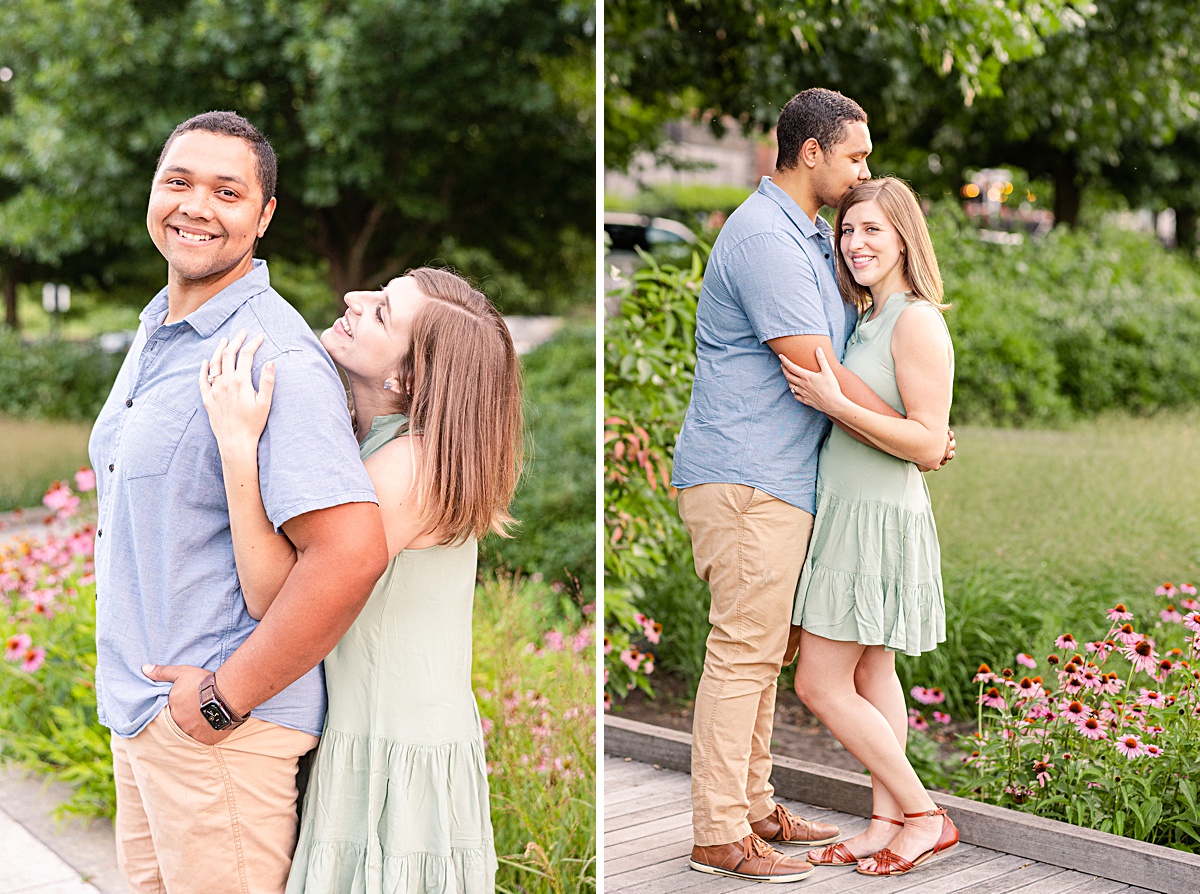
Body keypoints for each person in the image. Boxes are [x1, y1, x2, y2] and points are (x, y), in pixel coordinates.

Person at [89, 110, 389, 894]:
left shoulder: (272, 354)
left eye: (228, 191)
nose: (196, 206)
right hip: (147, 717)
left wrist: (222, 703)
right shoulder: (163, 326)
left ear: (263, 218)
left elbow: (350, 552)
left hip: (220, 733)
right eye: (178, 181)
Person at [670, 87, 924, 883]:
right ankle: (719, 835)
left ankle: (753, 806)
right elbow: (819, 371)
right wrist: (924, 431)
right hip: (748, 476)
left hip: (779, 479)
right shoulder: (767, 242)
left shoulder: (805, 233)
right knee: (743, 654)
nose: (864, 170)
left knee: (764, 652)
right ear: (810, 152)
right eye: (855, 155)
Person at [199, 267, 521, 892]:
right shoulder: (385, 443)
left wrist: (237, 448)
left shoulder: (407, 467)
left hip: (388, 747)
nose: (354, 299)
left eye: (381, 313)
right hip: (393, 731)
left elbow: (275, 597)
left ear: (405, 378)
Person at [782, 176, 958, 876]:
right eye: (847, 231)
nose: (855, 243)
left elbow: (924, 443)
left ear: (904, 238)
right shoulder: (868, 319)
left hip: (878, 520)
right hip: (851, 513)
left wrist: (834, 402)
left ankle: (923, 814)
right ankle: (886, 821)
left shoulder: (917, 319)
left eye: (871, 231)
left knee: (818, 684)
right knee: (871, 666)